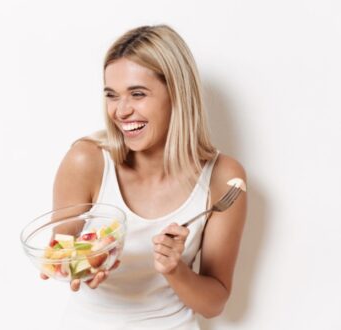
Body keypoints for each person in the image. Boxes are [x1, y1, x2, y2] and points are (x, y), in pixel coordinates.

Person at [41, 24, 247, 329]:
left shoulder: (223, 177)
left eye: (137, 94)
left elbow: (214, 303)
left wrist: (175, 269)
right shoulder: (87, 160)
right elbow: (64, 251)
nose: (121, 111)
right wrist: (78, 266)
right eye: (112, 95)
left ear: (177, 94)